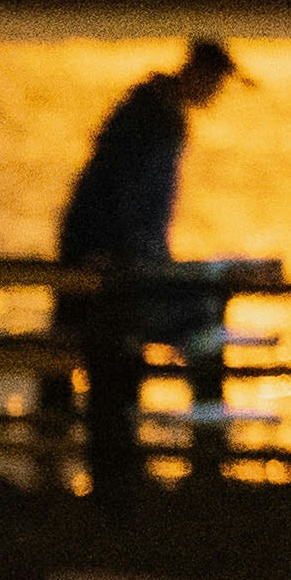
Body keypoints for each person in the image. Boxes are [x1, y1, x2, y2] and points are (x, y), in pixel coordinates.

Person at [54, 36, 247, 480]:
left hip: (112, 258)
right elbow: (131, 200)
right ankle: (201, 457)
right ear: (199, 74)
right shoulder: (154, 119)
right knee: (177, 341)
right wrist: (128, 255)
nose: (215, 94)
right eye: (215, 83)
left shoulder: (152, 112)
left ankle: (96, 463)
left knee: (102, 360)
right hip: (113, 263)